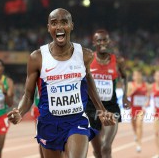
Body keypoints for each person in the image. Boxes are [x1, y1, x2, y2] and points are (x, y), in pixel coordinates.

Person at [7, 8, 115, 158]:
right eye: (54, 23)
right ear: (49, 28)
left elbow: (88, 81)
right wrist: (20, 112)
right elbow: (28, 95)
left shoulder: (85, 55)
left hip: (76, 119)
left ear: (71, 25)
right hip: (48, 123)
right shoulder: (37, 58)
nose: (59, 27)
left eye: (64, 22)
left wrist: (101, 109)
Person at [85, 29, 130, 158]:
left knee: (106, 146)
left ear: (109, 41)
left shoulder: (118, 61)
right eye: (99, 40)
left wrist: (125, 96)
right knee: (98, 151)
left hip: (110, 108)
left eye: (105, 40)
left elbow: (125, 77)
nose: (102, 43)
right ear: (94, 43)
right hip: (92, 108)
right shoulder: (88, 59)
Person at [127, 70, 150, 153]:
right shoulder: (130, 85)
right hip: (133, 108)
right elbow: (126, 96)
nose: (137, 77)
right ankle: (136, 135)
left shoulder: (145, 85)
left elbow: (148, 95)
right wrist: (133, 90)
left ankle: (139, 144)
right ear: (133, 77)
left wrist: (147, 101)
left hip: (141, 108)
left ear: (141, 76)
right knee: (134, 125)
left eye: (138, 75)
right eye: (135, 75)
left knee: (139, 124)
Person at [31, 87, 44, 158]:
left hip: (52, 110)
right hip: (38, 110)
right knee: (42, 138)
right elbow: (29, 95)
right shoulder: (35, 78)